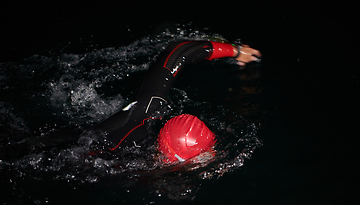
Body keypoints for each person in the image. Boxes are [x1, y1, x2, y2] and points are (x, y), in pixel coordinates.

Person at [91, 39, 261, 163]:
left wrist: (236, 51)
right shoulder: (148, 108)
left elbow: (180, 52)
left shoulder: (155, 107)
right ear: (171, 159)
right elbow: (178, 50)